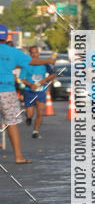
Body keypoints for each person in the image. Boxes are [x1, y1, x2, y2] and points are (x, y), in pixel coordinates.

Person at [0, 26, 55, 163]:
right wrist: (47, 61)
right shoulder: (13, 52)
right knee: (11, 123)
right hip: (7, 90)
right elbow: (31, 61)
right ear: (6, 37)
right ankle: (18, 157)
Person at [21, 45, 55, 138]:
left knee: (40, 112)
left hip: (41, 91)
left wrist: (46, 79)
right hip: (29, 91)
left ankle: (35, 131)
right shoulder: (26, 64)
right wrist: (30, 85)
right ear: (30, 54)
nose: (35, 54)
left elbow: (53, 74)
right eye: (33, 53)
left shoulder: (44, 64)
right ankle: (28, 117)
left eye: (36, 52)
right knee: (30, 114)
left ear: (38, 53)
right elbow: (22, 79)